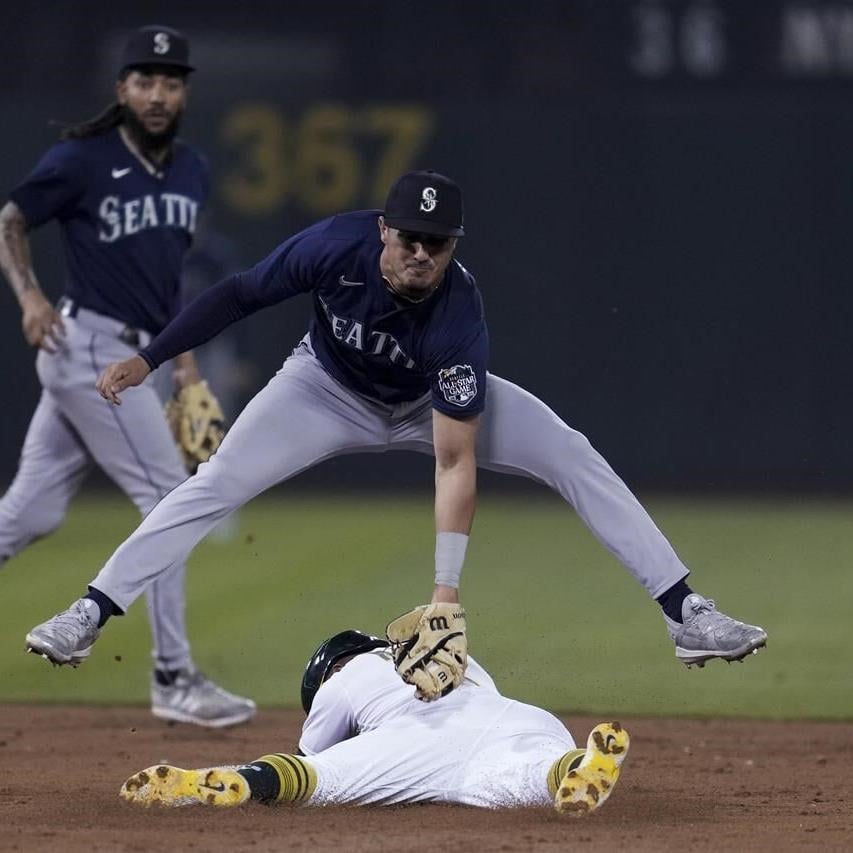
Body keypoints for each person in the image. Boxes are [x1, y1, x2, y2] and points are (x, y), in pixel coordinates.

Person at [24, 169, 767, 684]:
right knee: (214, 483)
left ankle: (684, 613)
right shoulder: (330, 248)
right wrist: (152, 357)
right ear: (382, 229)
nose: (419, 251)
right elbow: (240, 294)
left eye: (435, 242)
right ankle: (88, 613)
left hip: (422, 405)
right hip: (322, 388)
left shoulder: (457, 318)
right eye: (407, 235)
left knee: (571, 454)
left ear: (454, 246)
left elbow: (453, 461)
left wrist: (444, 593)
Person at [0, 25, 255, 727]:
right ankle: (174, 676)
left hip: (133, 351)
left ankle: (174, 673)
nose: (156, 92)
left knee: (29, 513)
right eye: (144, 80)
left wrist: (185, 360)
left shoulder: (192, 170)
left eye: (170, 81)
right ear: (122, 90)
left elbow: (167, 273)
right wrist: (28, 295)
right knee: (170, 501)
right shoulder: (82, 159)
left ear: (184, 92)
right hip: (90, 348)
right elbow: (13, 218)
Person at [119, 629, 630, 815]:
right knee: (518, 773)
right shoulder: (428, 651)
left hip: (414, 742)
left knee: (321, 779)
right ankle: (574, 764)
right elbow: (476, 707)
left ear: (326, 670)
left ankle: (239, 779)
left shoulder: (342, 679)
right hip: (518, 716)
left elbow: (312, 756)